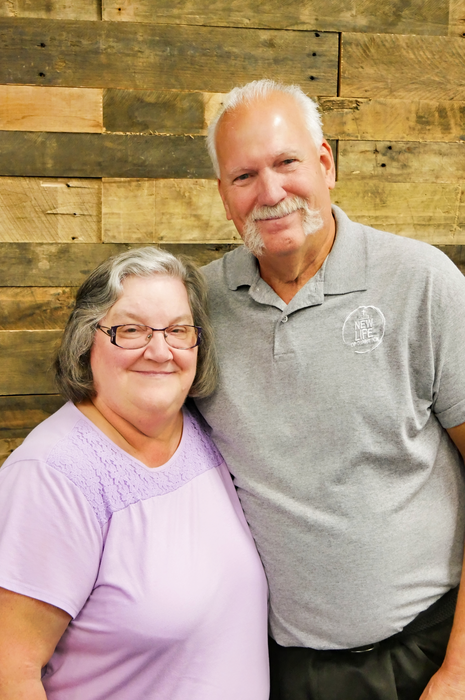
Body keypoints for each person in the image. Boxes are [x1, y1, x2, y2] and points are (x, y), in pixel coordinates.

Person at [195, 79, 465, 700]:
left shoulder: (421, 282)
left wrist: (458, 672)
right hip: (274, 666)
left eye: (287, 162)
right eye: (244, 176)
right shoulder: (197, 308)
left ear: (325, 164)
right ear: (224, 196)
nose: (270, 193)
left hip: (423, 654)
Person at [0, 247, 269, 700]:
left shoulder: (205, 433)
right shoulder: (49, 480)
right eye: (131, 330)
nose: (160, 351)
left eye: (178, 330)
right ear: (85, 341)